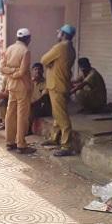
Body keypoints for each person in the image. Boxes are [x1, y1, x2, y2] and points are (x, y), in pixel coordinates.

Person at [40, 24, 77, 157]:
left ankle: (66, 145)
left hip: (57, 85)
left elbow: (44, 59)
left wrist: (50, 64)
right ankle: (55, 137)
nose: (57, 34)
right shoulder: (70, 48)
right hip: (61, 84)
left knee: (61, 116)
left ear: (63, 34)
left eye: (59, 32)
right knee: (57, 114)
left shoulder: (61, 47)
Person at [0, 28, 35, 154]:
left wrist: (10, 72)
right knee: (22, 116)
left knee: (10, 114)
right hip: (22, 87)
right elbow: (22, 71)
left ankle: (9, 141)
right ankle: (21, 144)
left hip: (11, 86)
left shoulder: (9, 49)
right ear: (27, 38)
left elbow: (2, 68)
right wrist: (15, 72)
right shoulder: (25, 51)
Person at [30, 63, 51, 128]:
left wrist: (31, 104)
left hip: (43, 107)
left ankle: (28, 129)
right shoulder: (29, 82)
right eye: (35, 69)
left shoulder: (46, 83)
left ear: (42, 71)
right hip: (31, 104)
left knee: (30, 107)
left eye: (39, 69)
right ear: (32, 71)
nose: (37, 71)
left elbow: (43, 97)